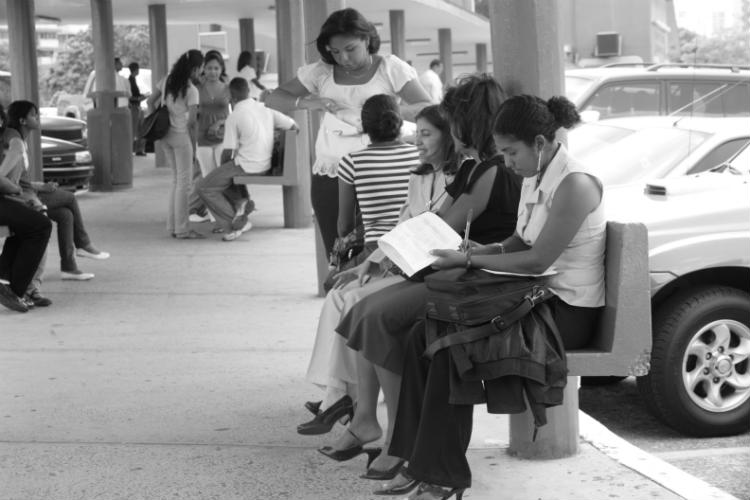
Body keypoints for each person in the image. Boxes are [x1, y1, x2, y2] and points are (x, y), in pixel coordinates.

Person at [387, 95, 605, 500]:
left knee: (451, 346)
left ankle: (442, 473)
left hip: (566, 311)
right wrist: (469, 254)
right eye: (502, 153)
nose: (506, 162)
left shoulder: (574, 183)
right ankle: (413, 457)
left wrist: (469, 265)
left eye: (510, 152)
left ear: (539, 142)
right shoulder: (533, 176)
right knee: (424, 333)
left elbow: (539, 257)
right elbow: (517, 241)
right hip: (535, 298)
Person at [321, 75, 522, 482]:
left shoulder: (491, 171)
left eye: (453, 119)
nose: (451, 129)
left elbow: (442, 227)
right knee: (365, 313)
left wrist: (384, 260)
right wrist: (379, 260)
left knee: (374, 317)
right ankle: (380, 427)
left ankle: (397, 436)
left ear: (470, 122)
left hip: (473, 279)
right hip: (453, 273)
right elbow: (433, 225)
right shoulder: (477, 168)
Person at [299, 104, 458, 436]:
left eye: (426, 134)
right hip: (392, 256)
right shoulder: (418, 173)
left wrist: (360, 258)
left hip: (416, 267)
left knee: (353, 305)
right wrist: (368, 264)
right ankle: (342, 399)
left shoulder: (456, 178)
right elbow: (403, 224)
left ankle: (345, 402)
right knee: (344, 299)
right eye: (418, 133)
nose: (419, 142)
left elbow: (345, 223)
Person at [265, 7, 431, 258]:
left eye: (350, 49)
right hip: (331, 171)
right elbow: (274, 98)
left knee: (386, 251)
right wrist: (311, 103)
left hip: (382, 172)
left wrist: (388, 110)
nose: (343, 58)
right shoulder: (320, 72)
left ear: (367, 39)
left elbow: (428, 108)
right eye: (335, 52)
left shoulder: (390, 67)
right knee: (338, 250)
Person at [196, 77, 297, 241]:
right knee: (224, 175)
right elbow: (294, 126)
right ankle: (241, 202)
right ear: (248, 91)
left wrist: (223, 170)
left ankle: (233, 222)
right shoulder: (266, 108)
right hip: (266, 163)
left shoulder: (235, 115)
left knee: (205, 186)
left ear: (231, 96)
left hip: (246, 165)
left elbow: (227, 152)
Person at [0, 102, 52, 312]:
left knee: (30, 224)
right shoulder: (14, 140)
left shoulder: (11, 137)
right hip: (6, 197)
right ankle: (16, 290)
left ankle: (9, 282)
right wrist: (16, 191)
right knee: (41, 226)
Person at [147, 49, 204, 240]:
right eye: (200, 69)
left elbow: (149, 101)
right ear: (195, 68)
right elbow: (193, 122)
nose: (200, 73)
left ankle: (172, 226)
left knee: (176, 181)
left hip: (165, 135)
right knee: (185, 184)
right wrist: (194, 147)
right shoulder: (192, 90)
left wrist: (161, 115)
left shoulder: (167, 80)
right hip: (181, 137)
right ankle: (182, 229)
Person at [128, 62, 147, 156]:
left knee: (141, 129)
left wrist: (141, 96)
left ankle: (139, 149)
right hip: (134, 106)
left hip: (138, 106)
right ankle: (130, 150)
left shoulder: (133, 80)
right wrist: (139, 98)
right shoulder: (130, 80)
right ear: (135, 69)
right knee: (133, 129)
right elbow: (129, 96)